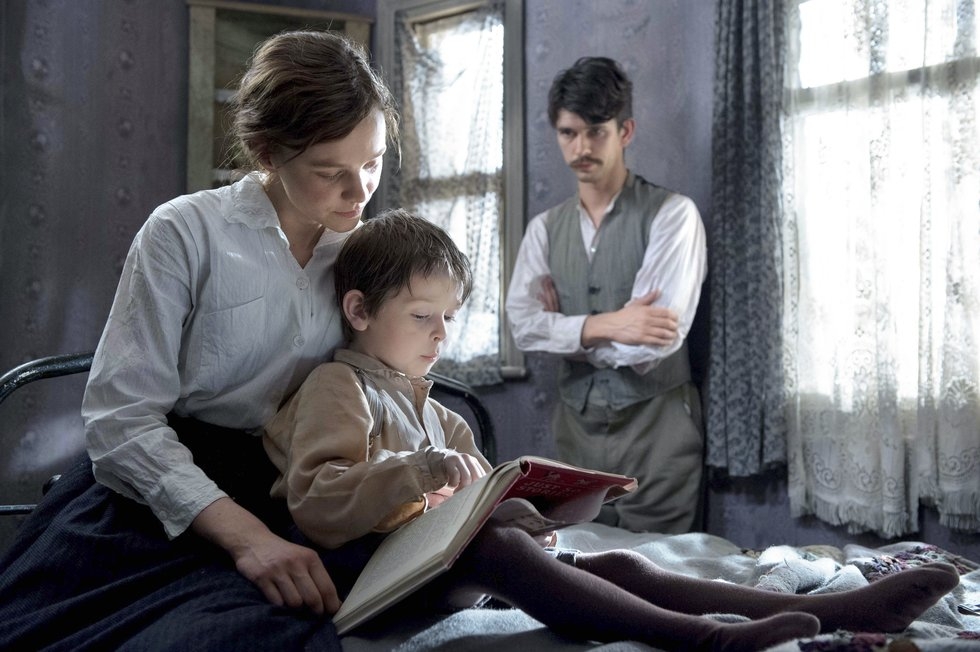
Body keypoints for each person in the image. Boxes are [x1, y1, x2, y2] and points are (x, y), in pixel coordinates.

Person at [263, 209, 962, 652]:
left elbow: (472, 512)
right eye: (422, 317)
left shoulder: (442, 414)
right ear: (359, 310)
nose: (440, 336)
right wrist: (423, 472)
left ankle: (836, 610)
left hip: (444, 567)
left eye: (449, 318)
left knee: (615, 563)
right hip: (370, 580)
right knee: (499, 550)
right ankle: (703, 640)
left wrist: (531, 511)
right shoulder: (339, 387)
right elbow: (318, 504)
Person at [0, 30, 398, 651]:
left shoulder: (365, 254)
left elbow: (387, 384)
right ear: (266, 153)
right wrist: (250, 540)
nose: (360, 191)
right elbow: (121, 420)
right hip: (166, 499)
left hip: (300, 490)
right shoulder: (185, 233)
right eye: (331, 172)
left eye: (372, 163)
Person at [506, 56, 707, 534]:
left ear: (625, 131)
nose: (581, 147)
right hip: (574, 435)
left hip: (658, 432)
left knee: (660, 565)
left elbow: (651, 345)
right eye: (568, 133)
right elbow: (523, 327)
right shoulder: (543, 230)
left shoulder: (673, 215)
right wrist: (611, 324)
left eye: (596, 132)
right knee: (576, 560)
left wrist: (567, 332)